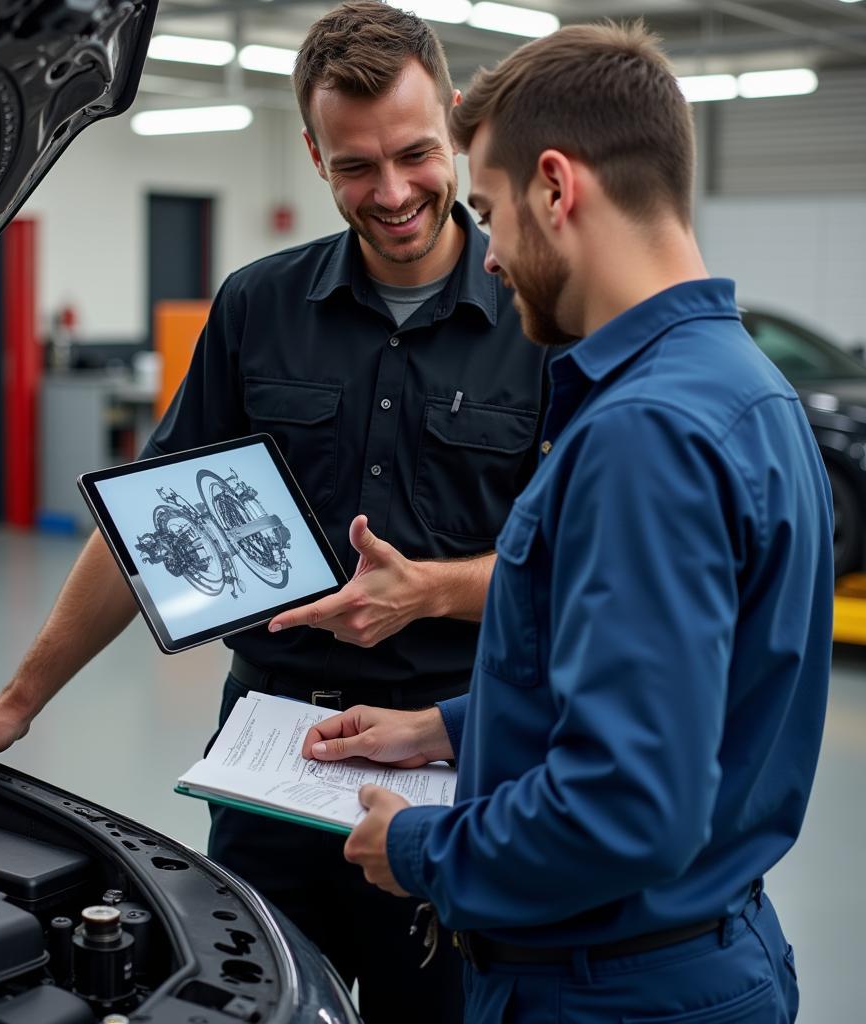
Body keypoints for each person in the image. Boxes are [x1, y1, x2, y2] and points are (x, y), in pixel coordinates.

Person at [0, 3, 546, 1020]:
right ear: (311, 154)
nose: (392, 192)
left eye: (416, 154)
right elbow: (149, 530)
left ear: (455, 121)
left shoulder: (539, 318)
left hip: (450, 759)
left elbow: (587, 571)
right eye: (352, 167)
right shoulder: (256, 305)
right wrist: (21, 697)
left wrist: (432, 593)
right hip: (270, 765)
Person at [302, 21, 833, 1024]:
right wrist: (447, 728)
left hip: (610, 990)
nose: (491, 254)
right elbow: (675, 695)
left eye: (492, 211)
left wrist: (415, 851)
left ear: (556, 186)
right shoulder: (736, 384)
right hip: (698, 950)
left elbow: (626, 805)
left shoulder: (644, 435)